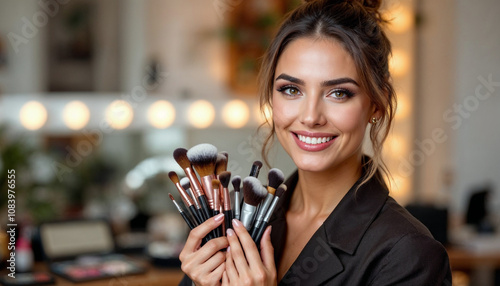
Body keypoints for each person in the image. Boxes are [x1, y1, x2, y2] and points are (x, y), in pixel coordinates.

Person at [179, 0, 452, 285]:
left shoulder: (410, 255)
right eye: (291, 89)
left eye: (338, 93)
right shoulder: (236, 223)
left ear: (377, 104)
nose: (310, 117)